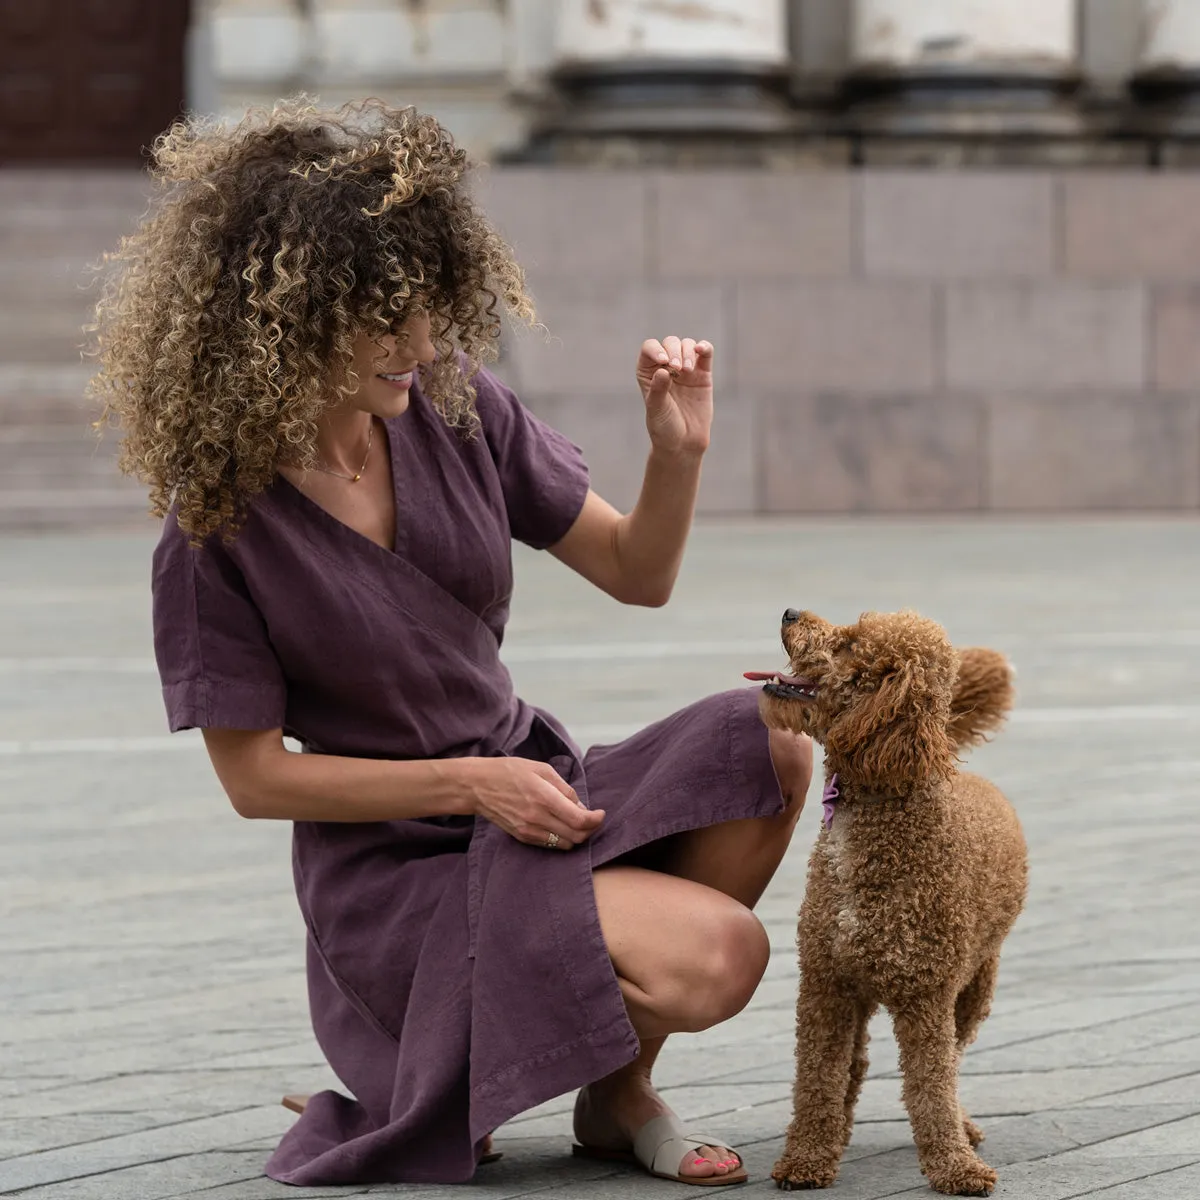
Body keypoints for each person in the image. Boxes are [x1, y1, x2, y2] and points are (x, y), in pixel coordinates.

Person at [88, 99, 813, 1188]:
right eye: (388, 321)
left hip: (531, 795)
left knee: (773, 740)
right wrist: (473, 786)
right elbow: (253, 781)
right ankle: (437, 1046)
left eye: (429, 311)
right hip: (397, 871)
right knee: (720, 956)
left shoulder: (455, 407)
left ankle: (615, 1097)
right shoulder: (216, 528)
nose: (423, 345)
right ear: (286, 315)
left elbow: (637, 573)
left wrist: (679, 453)